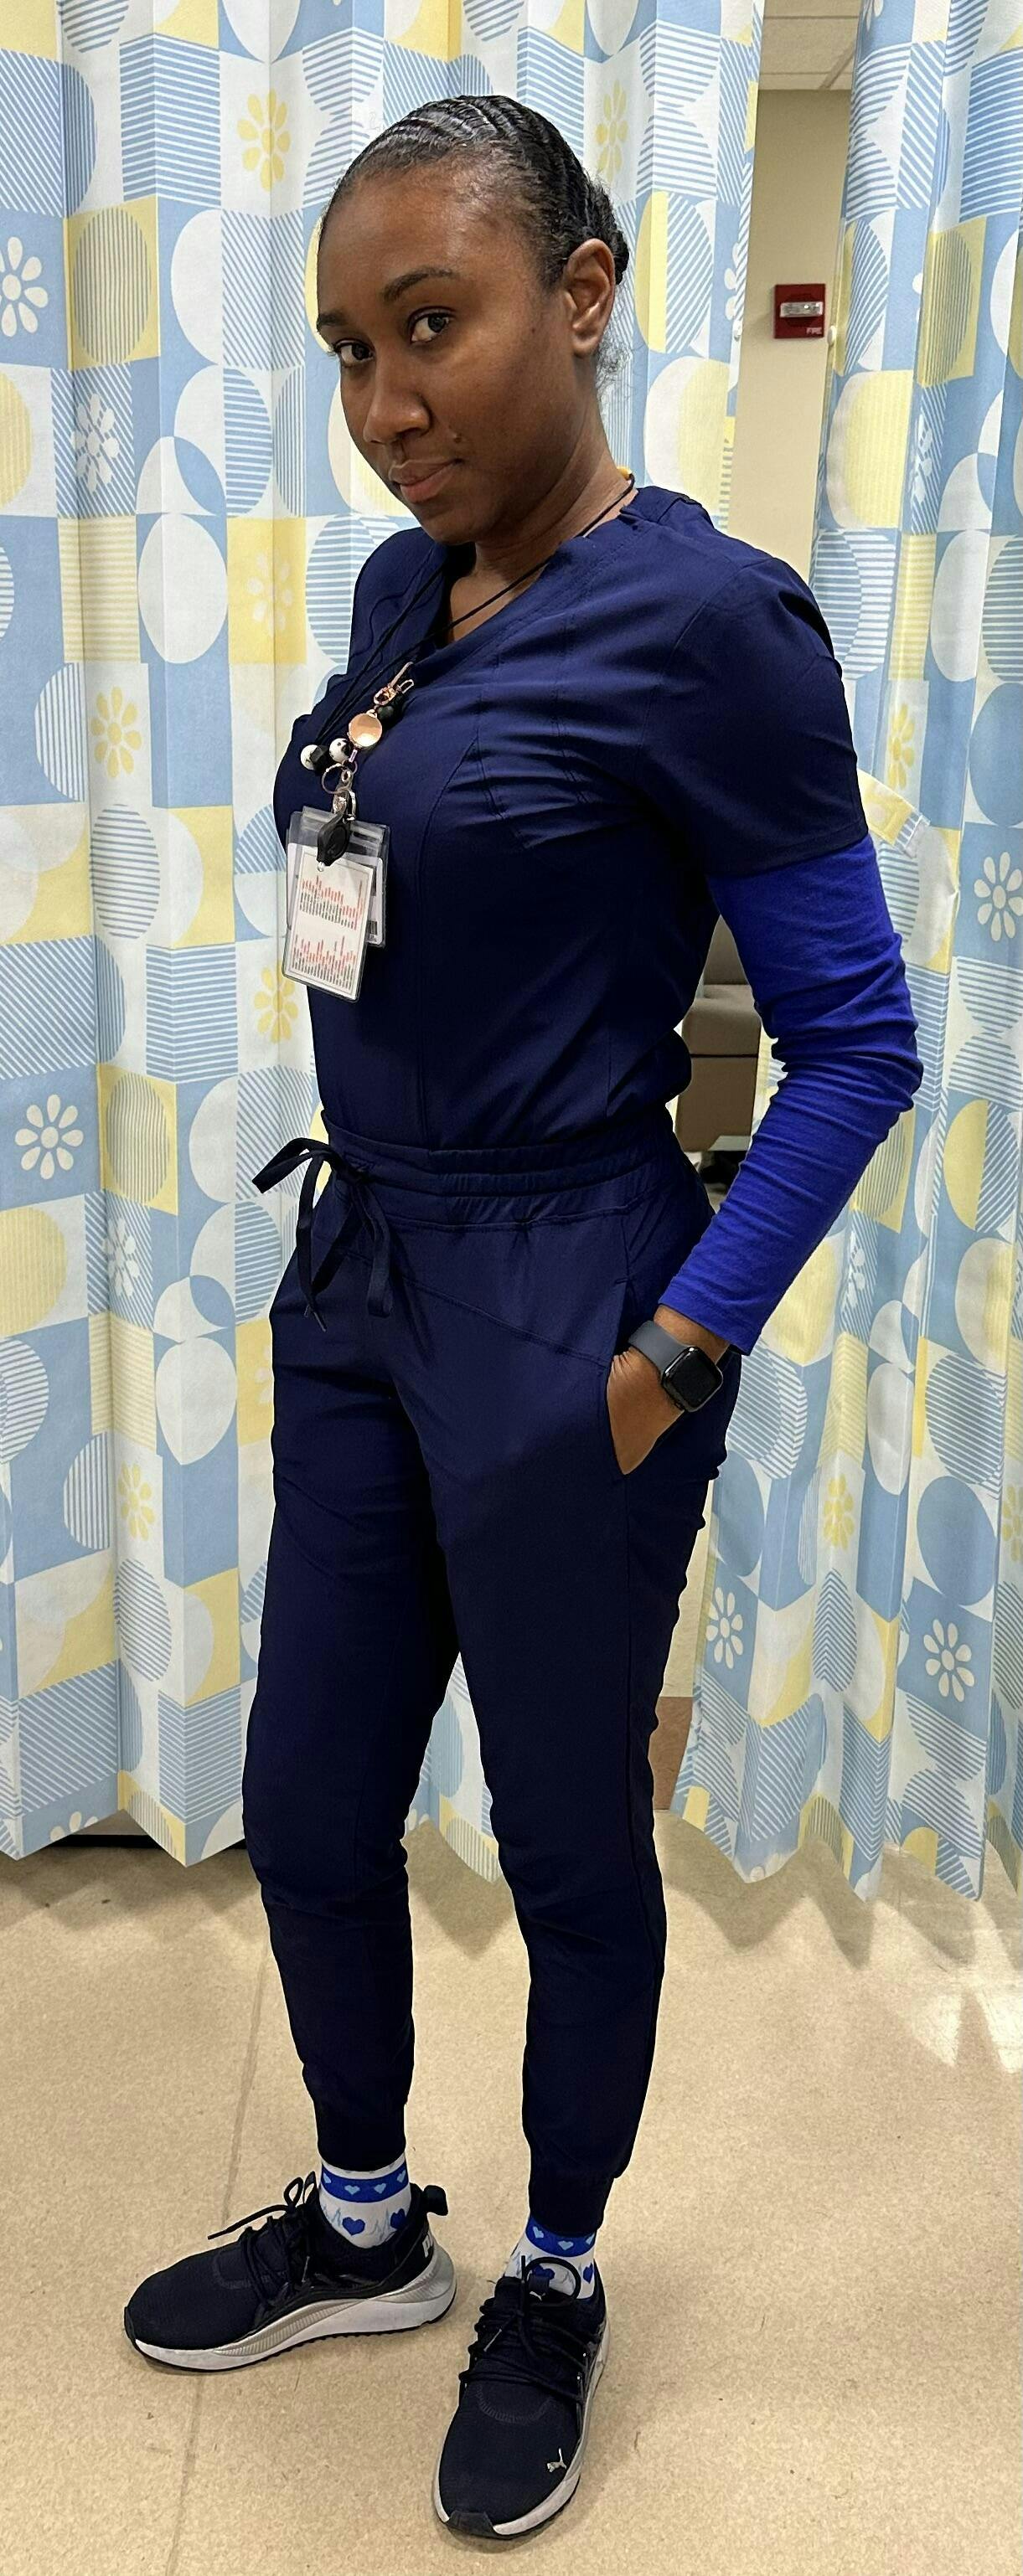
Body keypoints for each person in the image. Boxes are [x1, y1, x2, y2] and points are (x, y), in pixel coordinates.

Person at [124, 95, 923, 2543]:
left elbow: (857, 1042)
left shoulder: (714, 624)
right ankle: (369, 2221)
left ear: (581, 296)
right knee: (311, 1798)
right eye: (351, 350)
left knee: (568, 1843)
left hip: (577, 1294)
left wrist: (674, 1355)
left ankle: (558, 2271)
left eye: (432, 326)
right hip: (365, 1274)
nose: (388, 400)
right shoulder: (408, 591)